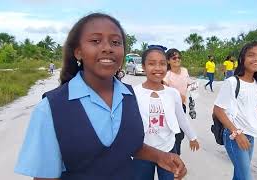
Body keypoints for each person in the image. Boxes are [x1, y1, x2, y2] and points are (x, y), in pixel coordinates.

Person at [14, 13, 187, 180]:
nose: (107, 48)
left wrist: (160, 157)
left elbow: (126, 146)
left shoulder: (129, 95)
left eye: (115, 42)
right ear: (78, 52)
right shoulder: (51, 108)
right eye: (95, 41)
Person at [213, 41, 257, 180]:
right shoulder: (232, 82)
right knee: (245, 177)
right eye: (251, 55)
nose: (256, 59)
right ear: (242, 58)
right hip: (234, 136)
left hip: (250, 135)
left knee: (239, 176)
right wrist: (237, 133)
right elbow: (218, 110)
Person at [133, 47, 199, 180]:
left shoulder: (172, 93)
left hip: (168, 147)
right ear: (143, 67)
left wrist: (192, 137)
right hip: (143, 150)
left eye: (162, 63)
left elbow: (181, 118)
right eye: (151, 63)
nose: (158, 68)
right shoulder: (134, 93)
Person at [162, 48, 199, 155]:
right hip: (170, 107)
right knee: (173, 132)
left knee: (180, 133)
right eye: (174, 58)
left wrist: (193, 88)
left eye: (179, 57)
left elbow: (187, 83)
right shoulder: (167, 74)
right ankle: (173, 155)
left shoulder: (184, 71)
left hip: (182, 106)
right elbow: (165, 90)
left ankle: (176, 155)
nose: (177, 59)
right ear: (168, 61)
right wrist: (178, 96)